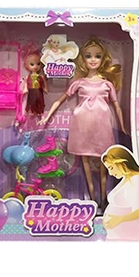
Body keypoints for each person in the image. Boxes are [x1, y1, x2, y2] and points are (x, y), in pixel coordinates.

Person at [38, 37, 127, 211]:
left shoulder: (107, 84)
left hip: (102, 125)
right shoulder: (79, 83)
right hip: (82, 124)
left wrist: (123, 127)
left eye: (97, 56)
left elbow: (117, 106)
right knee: (85, 162)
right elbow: (60, 100)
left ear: (103, 59)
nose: (93, 59)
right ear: (83, 59)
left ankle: (104, 200)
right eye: (88, 56)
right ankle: (93, 200)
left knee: (104, 162)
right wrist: (47, 117)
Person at [101, 145, 139, 241]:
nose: (110, 173)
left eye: (111, 168)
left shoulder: (137, 179)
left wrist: (120, 219)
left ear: (121, 163)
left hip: (127, 236)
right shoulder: (126, 179)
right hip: (116, 236)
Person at [21, 50, 47, 117]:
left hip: (39, 90)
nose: (36, 66)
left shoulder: (41, 76)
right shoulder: (28, 76)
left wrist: (45, 88)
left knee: (40, 100)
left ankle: (39, 111)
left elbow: (44, 82)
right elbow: (26, 82)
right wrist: (25, 88)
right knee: (31, 101)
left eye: (38, 64)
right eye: (32, 64)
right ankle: (31, 110)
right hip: (31, 90)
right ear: (26, 65)